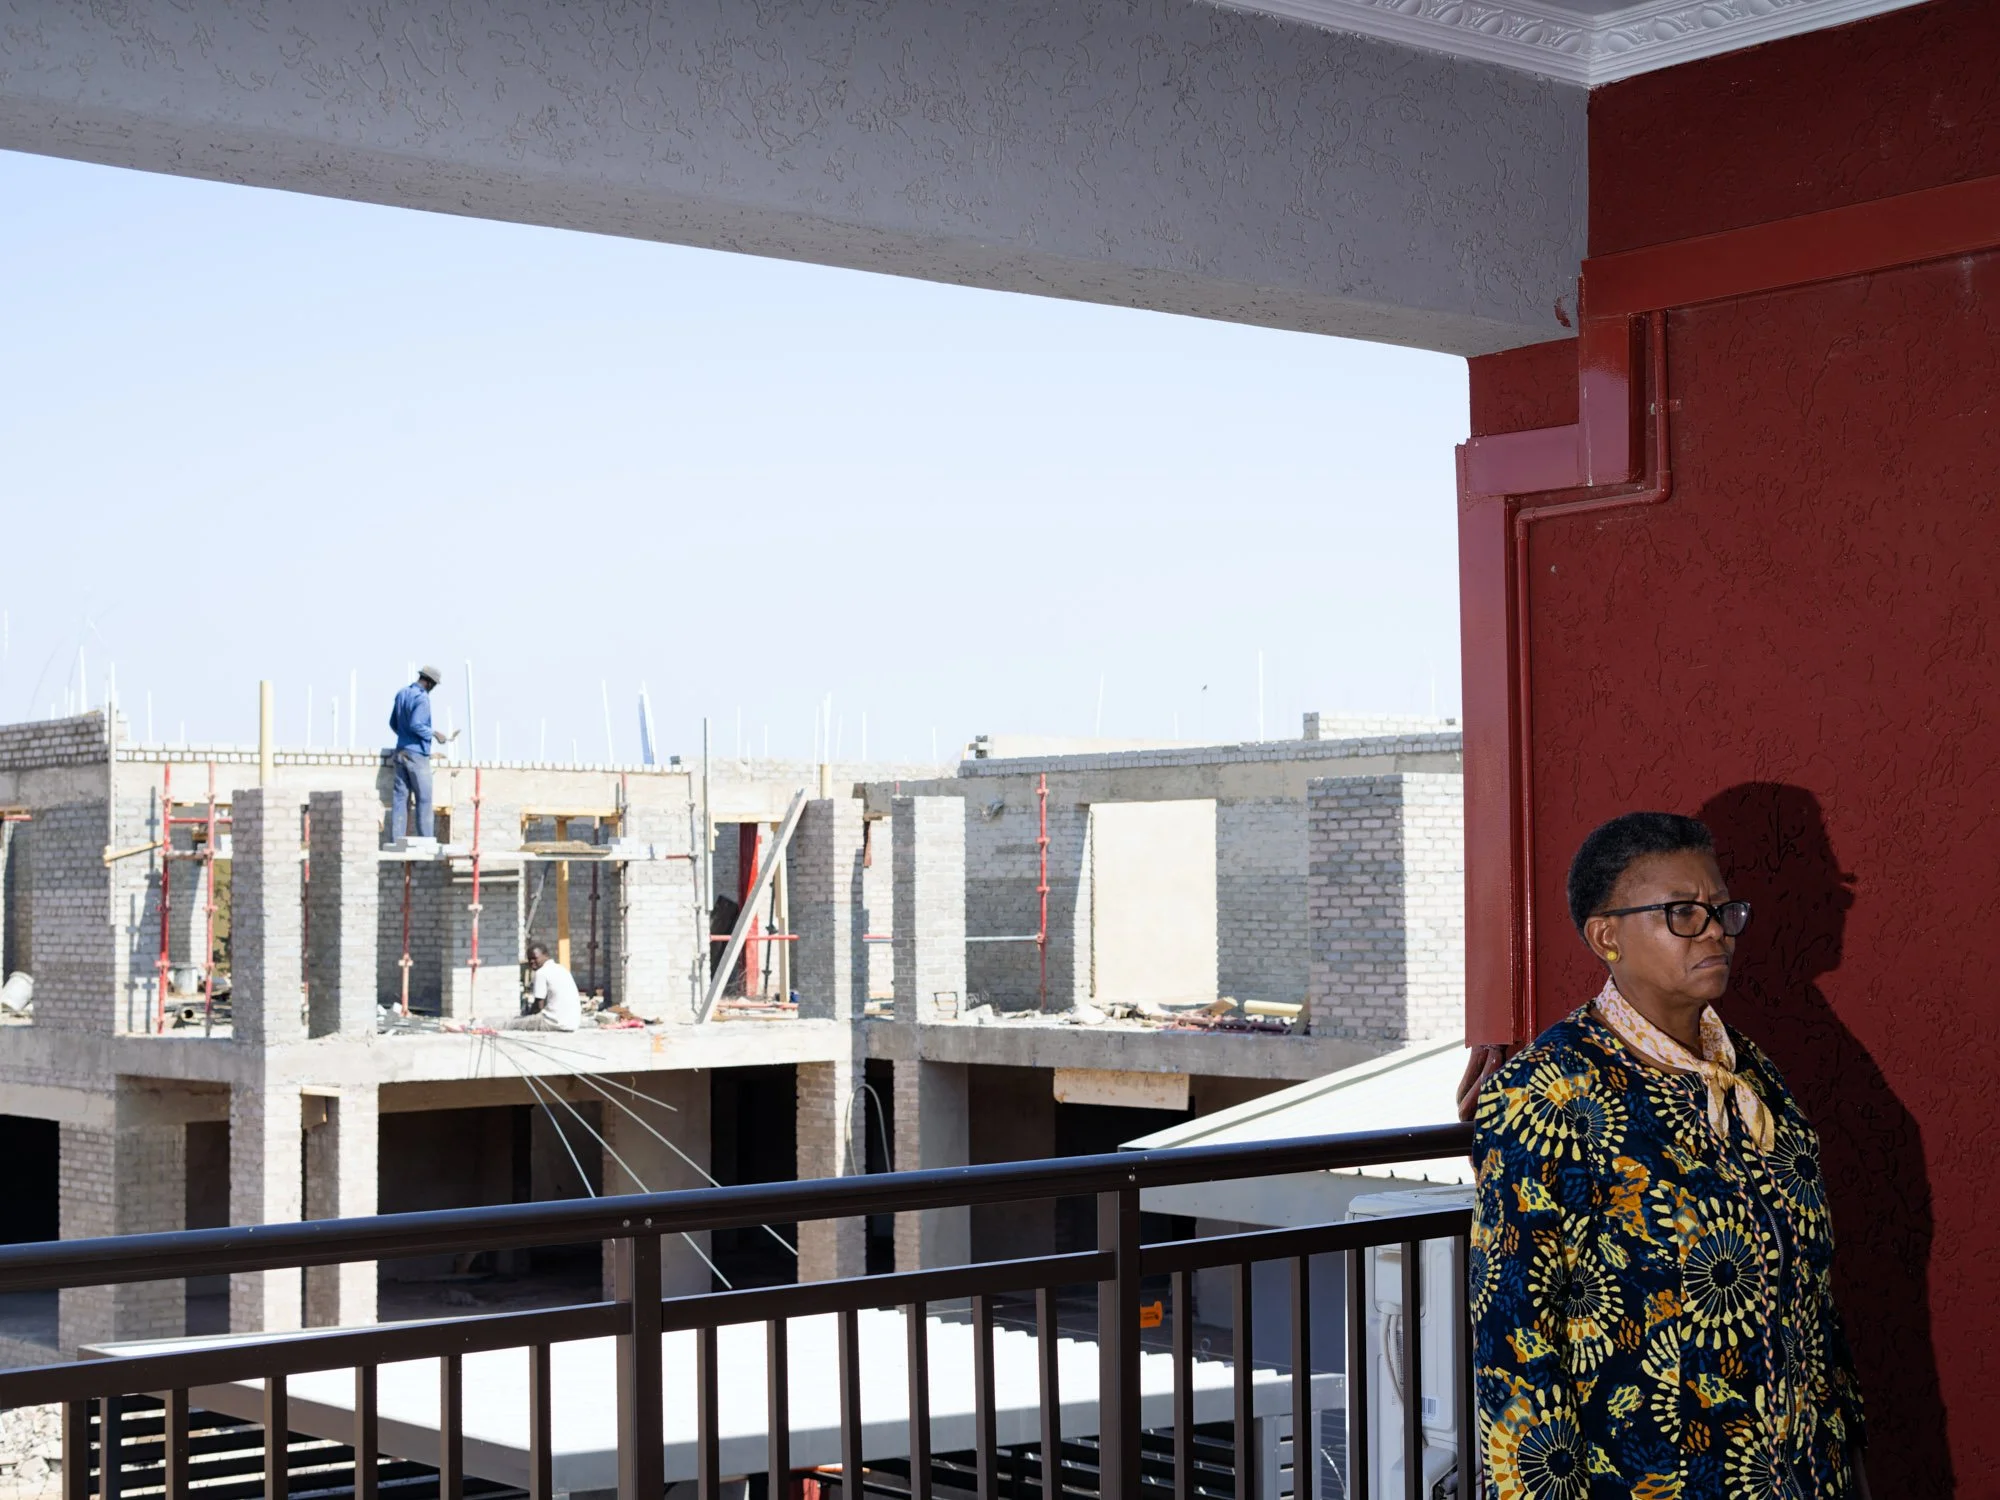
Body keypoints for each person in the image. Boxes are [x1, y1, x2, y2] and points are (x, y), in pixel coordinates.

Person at [1471, 811, 1870, 1498]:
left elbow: (1811, 1299)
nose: (1715, 929)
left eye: (1720, 908)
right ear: (1607, 936)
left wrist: (1849, 1465)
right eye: (1682, 912)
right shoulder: (1548, 1093)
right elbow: (1515, 1346)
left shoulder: (1754, 1077)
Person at [386, 666, 451, 841]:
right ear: (429, 683)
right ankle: (426, 840)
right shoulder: (422, 698)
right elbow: (416, 724)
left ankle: (397, 840)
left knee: (400, 799)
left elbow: (393, 723)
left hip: (400, 752)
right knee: (424, 798)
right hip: (417, 755)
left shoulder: (402, 693)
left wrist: (404, 737)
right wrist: (435, 734)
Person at [506, 942, 582, 1031]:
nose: (531, 962)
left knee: (511, 1023)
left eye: (535, 958)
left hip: (554, 1023)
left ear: (545, 955)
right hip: (572, 1023)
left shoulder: (541, 973)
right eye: (529, 959)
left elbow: (538, 1007)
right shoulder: (562, 969)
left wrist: (527, 1016)